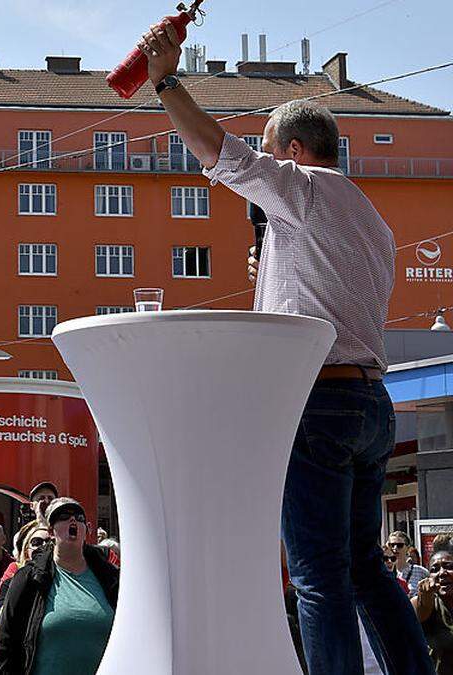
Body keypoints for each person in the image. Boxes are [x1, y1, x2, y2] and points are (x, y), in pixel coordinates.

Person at [138, 20, 431, 674]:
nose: (261, 183)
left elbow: (223, 154)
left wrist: (166, 81)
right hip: (370, 400)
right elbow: (328, 290)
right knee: (364, 569)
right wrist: (274, 262)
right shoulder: (371, 219)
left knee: (317, 574)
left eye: (273, 157)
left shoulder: (301, 189)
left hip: (316, 399)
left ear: (295, 152)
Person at [0, 498, 119, 675]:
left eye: (79, 517)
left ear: (87, 530)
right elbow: (6, 642)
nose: (73, 520)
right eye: (63, 516)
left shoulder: (110, 577)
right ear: (51, 532)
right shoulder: (29, 578)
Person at [414, 549, 453, 671]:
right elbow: (420, 613)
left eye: (449, 567)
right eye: (434, 570)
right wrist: (424, 598)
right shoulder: (424, 601)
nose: (442, 573)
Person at [389, 531, 430, 598]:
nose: (395, 548)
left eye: (399, 545)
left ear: (407, 548)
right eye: (392, 545)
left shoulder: (421, 571)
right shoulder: (385, 571)